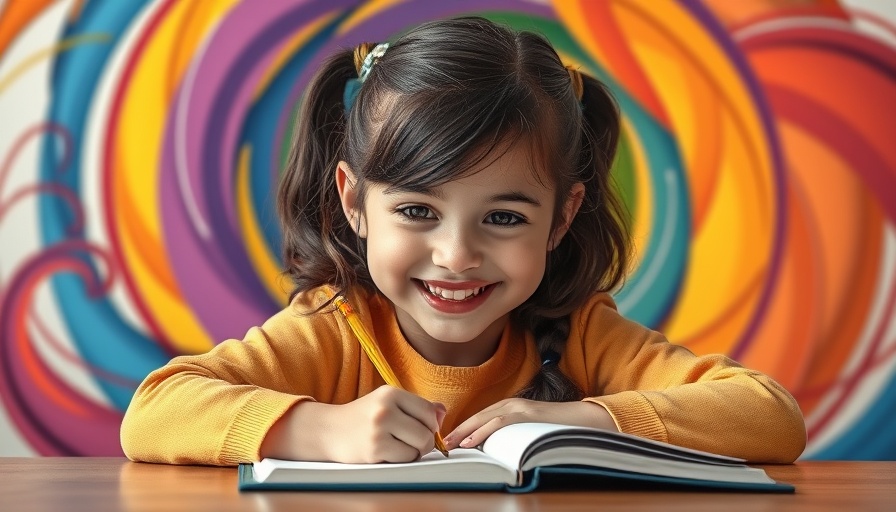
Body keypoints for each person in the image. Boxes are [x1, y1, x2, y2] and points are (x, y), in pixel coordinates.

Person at [120, 16, 806, 466]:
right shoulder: (334, 330)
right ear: (354, 201)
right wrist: (318, 430)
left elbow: (769, 417)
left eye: (504, 218)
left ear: (561, 219)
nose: (456, 255)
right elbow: (153, 412)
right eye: (418, 211)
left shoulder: (581, 334)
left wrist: (585, 422)